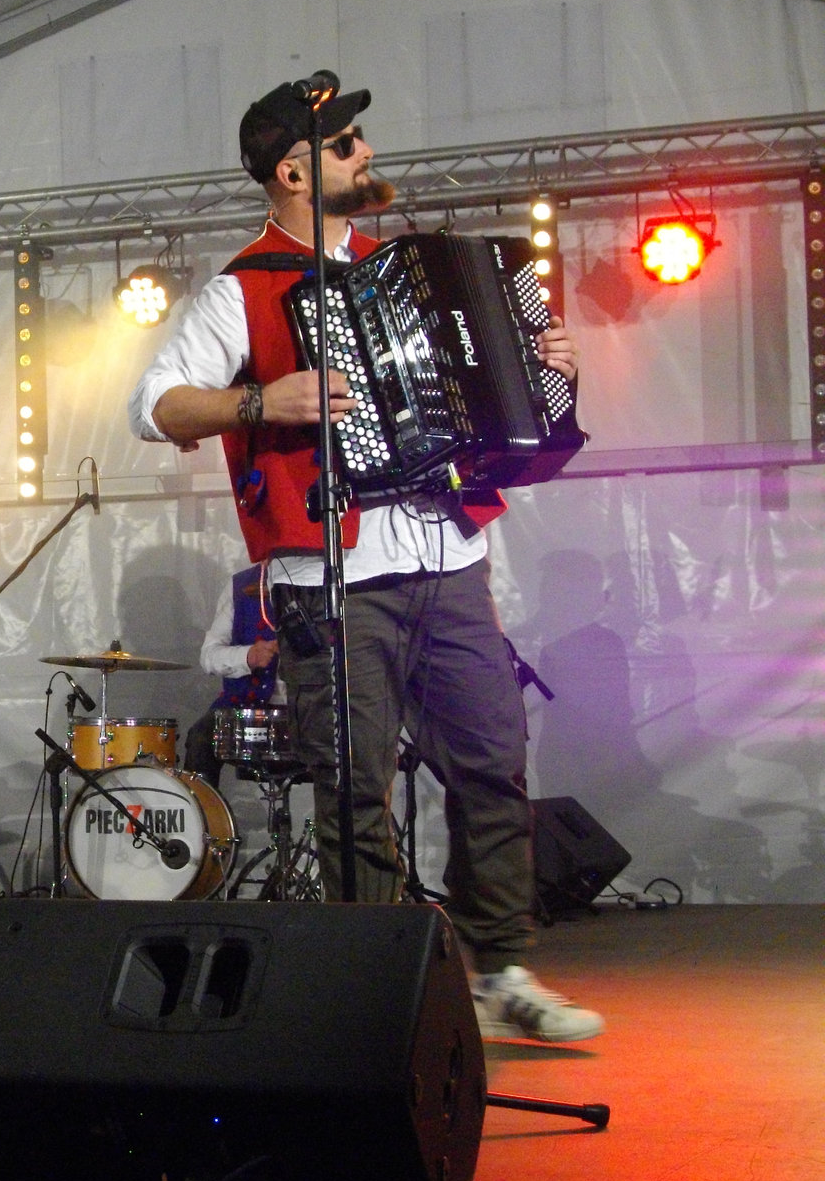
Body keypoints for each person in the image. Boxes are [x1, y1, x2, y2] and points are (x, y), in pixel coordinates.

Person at [128, 78, 603, 1043]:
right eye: (346, 144)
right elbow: (154, 407)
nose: (367, 152)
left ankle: (500, 972)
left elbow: (487, 386)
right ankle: (384, 995)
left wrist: (543, 369)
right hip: (331, 575)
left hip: (447, 553)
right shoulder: (241, 291)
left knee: (493, 762)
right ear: (293, 172)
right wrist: (262, 401)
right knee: (353, 787)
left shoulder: (408, 270)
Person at [179, 563, 280, 789]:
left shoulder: (326, 580)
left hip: (305, 708)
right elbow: (209, 655)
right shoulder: (241, 584)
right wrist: (247, 656)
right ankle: (203, 810)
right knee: (201, 738)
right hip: (247, 707)